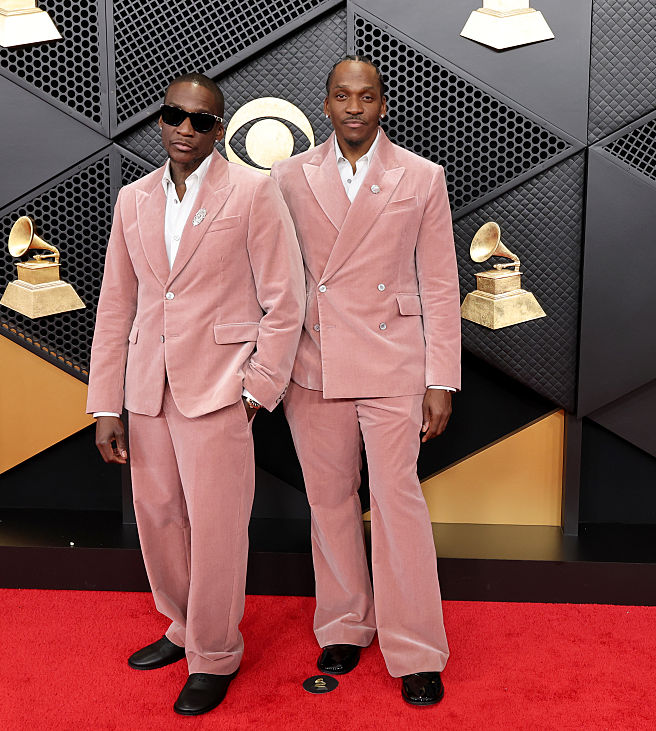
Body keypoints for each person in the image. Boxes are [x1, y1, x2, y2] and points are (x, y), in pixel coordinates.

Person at [87, 72, 304, 716]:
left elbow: (285, 301)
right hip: (147, 388)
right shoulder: (132, 200)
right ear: (160, 120)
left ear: (220, 127)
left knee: (216, 529)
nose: (186, 129)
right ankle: (181, 628)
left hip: (219, 390)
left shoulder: (253, 192)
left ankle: (215, 653)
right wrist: (106, 403)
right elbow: (115, 307)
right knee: (156, 519)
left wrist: (258, 388)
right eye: (175, 115)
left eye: (201, 120)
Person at [270, 56, 462, 706]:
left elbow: (440, 282)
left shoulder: (421, 177)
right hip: (313, 360)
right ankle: (346, 622)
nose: (354, 106)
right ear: (324, 104)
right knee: (329, 500)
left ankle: (415, 648)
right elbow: (274, 278)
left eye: (367, 96)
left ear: (383, 104)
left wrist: (443, 378)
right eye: (342, 95)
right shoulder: (287, 177)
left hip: (394, 358)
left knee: (397, 500)